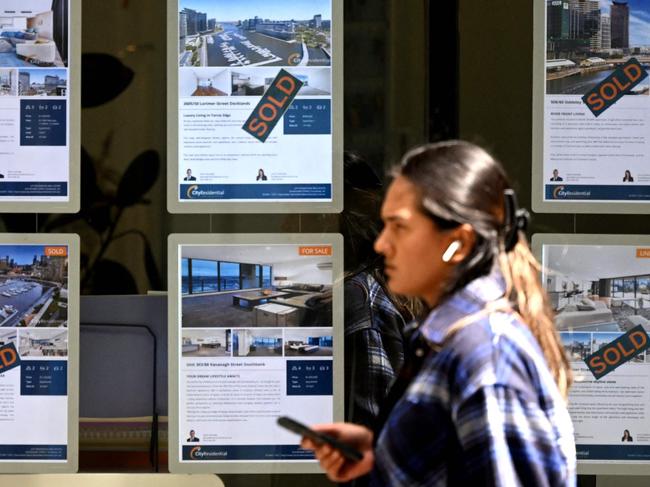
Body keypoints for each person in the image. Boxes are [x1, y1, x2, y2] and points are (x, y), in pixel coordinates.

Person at [302, 141, 576, 486]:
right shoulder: (452, 339)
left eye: (399, 227)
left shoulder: (484, 356)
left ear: (457, 243)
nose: (381, 243)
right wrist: (382, 455)